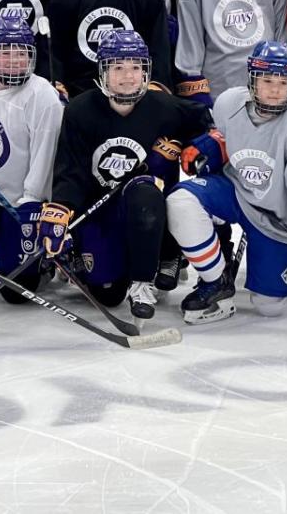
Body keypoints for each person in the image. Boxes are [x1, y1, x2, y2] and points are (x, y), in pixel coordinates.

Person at [40, 30, 213, 319]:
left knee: (146, 188)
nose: (128, 76)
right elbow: (70, 169)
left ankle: (144, 281)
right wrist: (62, 207)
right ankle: (89, 257)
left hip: (146, 210)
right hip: (99, 210)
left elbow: (206, 122)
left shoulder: (164, 107)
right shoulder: (80, 111)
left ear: (146, 71)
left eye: (136, 67)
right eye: (118, 67)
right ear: (103, 72)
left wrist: (192, 146)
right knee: (107, 293)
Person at [166, 41, 287, 323]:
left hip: (278, 214)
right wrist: (215, 145)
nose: (275, 89)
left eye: (283, 82)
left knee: (272, 307)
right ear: (252, 80)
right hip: (236, 192)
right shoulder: (228, 103)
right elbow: (228, 139)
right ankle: (216, 282)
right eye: (267, 80)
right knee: (180, 202)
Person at [0, 12, 62, 303]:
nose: (13, 60)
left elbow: (46, 155)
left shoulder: (42, 96)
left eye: (21, 52)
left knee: (18, 292)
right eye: (5, 52)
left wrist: (32, 200)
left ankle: (45, 262)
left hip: (18, 203)